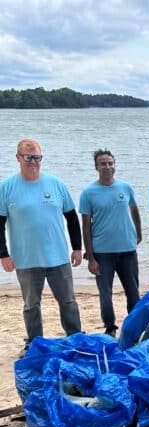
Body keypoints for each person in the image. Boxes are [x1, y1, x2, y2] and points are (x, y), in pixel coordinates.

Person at [0, 138, 82, 354]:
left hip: (58, 258)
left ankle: (75, 338)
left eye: (37, 157)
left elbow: (72, 218)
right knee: (31, 305)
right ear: (18, 158)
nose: (33, 162)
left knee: (68, 302)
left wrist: (77, 248)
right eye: (29, 157)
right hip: (26, 259)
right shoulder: (6, 187)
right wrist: (3, 254)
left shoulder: (56, 183)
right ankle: (34, 344)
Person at [79, 149, 142, 338]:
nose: (107, 167)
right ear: (96, 167)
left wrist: (138, 234)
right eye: (103, 164)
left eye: (110, 163)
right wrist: (90, 257)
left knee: (133, 291)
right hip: (102, 252)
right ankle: (110, 327)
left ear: (115, 165)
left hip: (127, 250)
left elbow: (135, 212)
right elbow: (86, 226)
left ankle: (133, 325)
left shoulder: (125, 187)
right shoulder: (88, 192)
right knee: (105, 293)